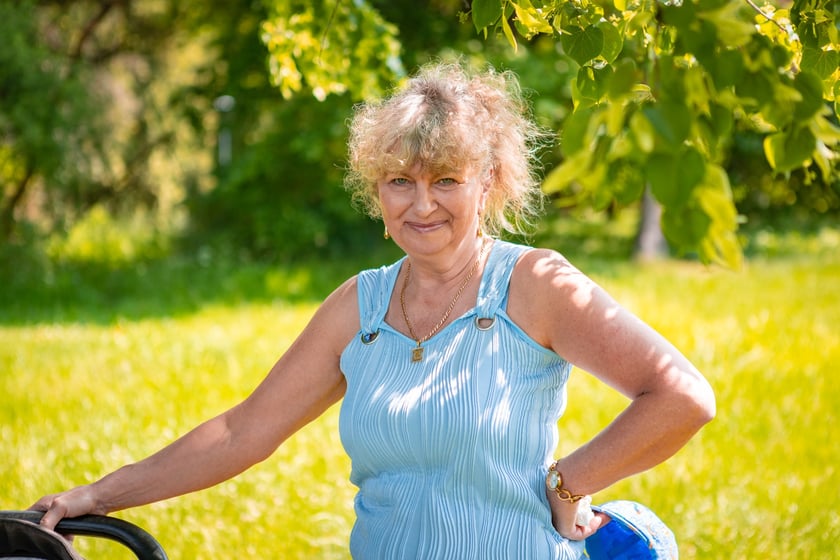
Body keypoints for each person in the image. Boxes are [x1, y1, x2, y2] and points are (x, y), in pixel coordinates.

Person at [30, 61, 715, 559]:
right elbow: (242, 431)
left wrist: (570, 481)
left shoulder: (533, 284)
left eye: (446, 180)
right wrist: (99, 496)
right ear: (375, 190)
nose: (421, 205)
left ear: (491, 182)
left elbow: (681, 396)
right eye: (399, 182)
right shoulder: (358, 305)